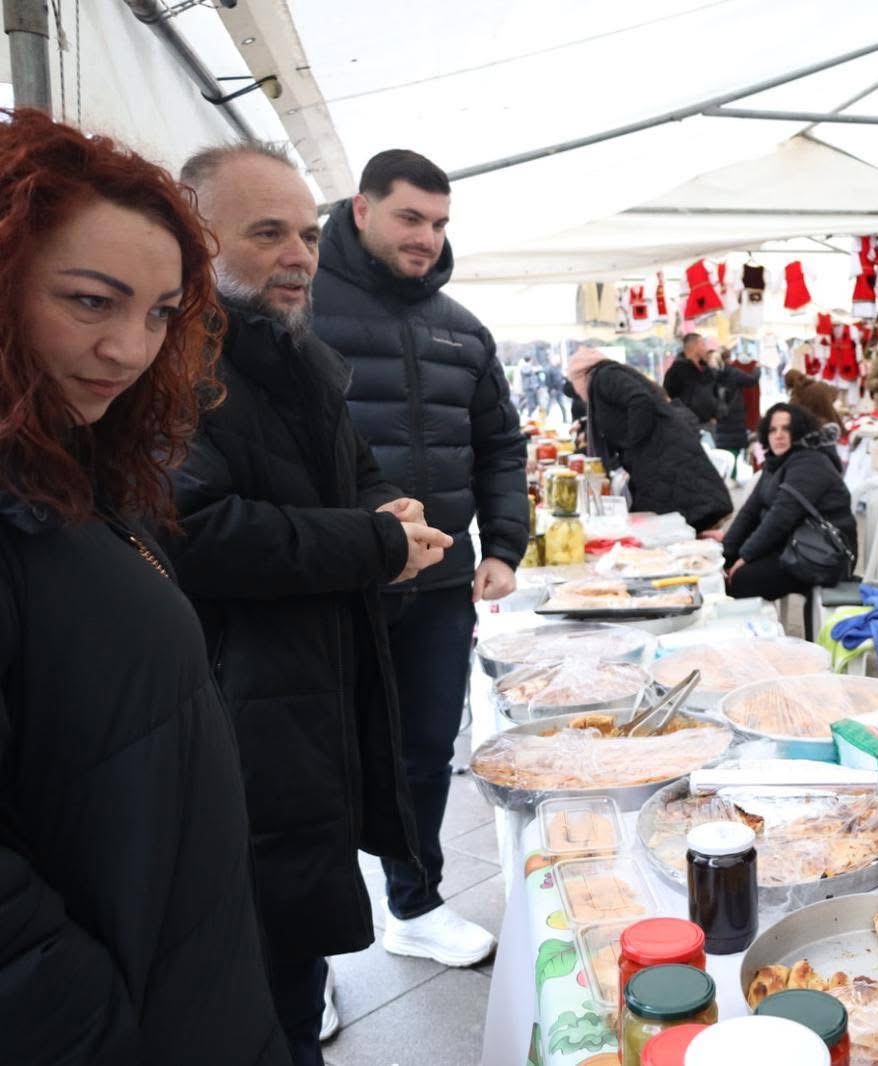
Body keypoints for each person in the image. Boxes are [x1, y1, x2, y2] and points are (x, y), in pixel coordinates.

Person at [0, 110, 289, 1066]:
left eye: (162, 313)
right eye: (92, 301)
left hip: (184, 975)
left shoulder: (73, 468)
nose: (130, 348)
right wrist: (95, 1027)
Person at [171, 142, 452, 1064]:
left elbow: (355, 475)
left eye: (305, 234)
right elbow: (197, 528)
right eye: (267, 233)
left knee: (293, 945)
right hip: (237, 699)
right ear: (196, 240)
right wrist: (376, 544)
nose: (299, 255)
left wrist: (391, 512)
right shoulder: (174, 362)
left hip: (304, 685)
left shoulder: (293, 354)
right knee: (256, 969)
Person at [311, 149, 529, 969]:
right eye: (410, 217)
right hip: (329, 580)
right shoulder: (299, 308)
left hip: (438, 582)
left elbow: (499, 445)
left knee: (425, 750)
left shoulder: (462, 328)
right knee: (315, 759)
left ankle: (415, 902)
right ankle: (305, 953)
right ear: (362, 210)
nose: (427, 238)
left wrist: (503, 544)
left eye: (438, 223)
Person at [704, 403, 855, 637]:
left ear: (800, 431)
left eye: (786, 429)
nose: (779, 435)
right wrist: (725, 554)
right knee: (720, 571)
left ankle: (756, 642)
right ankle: (742, 638)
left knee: (742, 579)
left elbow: (780, 518)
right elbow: (749, 512)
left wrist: (745, 557)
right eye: (773, 430)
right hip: (792, 546)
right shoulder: (777, 462)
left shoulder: (810, 463)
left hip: (822, 555)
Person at [567, 348, 733, 531]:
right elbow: (615, 420)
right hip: (657, 456)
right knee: (670, 522)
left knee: (672, 522)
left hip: (661, 456)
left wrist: (633, 440)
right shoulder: (604, 377)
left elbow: (639, 400)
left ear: (581, 374)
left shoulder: (605, 377)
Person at [662, 332, 720, 426]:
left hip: (709, 423)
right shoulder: (676, 371)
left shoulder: (707, 369)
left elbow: (715, 392)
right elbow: (668, 396)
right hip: (687, 425)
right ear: (694, 347)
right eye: (703, 344)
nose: (706, 348)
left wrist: (715, 415)